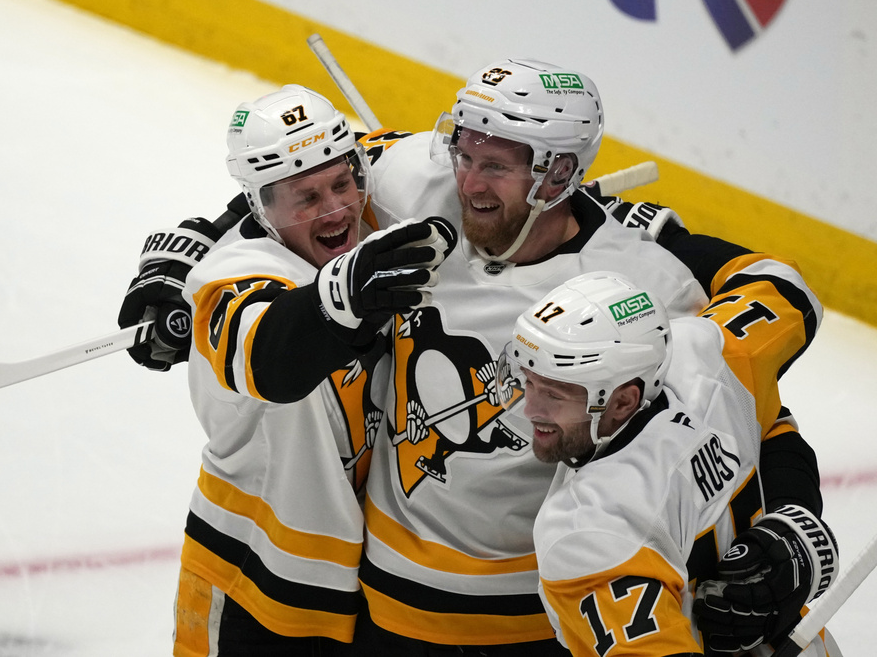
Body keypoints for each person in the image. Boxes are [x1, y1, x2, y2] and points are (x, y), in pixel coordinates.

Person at [119, 59, 829, 654]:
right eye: (463, 153)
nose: (468, 182)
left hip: (535, 621)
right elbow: (305, 170)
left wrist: (794, 517)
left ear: (557, 175)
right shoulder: (412, 187)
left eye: (494, 165)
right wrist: (198, 241)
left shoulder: (637, 284)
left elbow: (731, 398)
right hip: (381, 606)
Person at [118, 84, 456, 656]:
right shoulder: (230, 278)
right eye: (305, 198)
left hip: (372, 586)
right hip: (253, 580)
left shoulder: (373, 207)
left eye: (341, 184)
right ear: (261, 209)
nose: (334, 210)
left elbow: (466, 168)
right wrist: (342, 296)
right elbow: (272, 353)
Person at [495, 271, 839, 656]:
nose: (529, 409)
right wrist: (793, 516)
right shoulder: (708, 357)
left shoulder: (587, 531)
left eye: (555, 394)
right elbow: (784, 284)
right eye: (530, 381)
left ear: (624, 400)